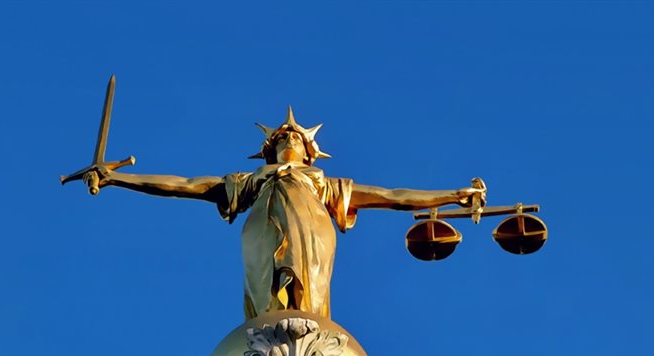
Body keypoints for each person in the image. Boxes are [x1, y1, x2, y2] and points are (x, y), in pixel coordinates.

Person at [84, 107, 485, 319]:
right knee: (265, 299)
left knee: (307, 300)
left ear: (310, 150)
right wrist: (121, 180)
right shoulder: (252, 180)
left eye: (294, 135)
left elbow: (392, 195)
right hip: (261, 230)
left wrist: (452, 195)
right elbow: (187, 186)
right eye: (281, 136)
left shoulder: (322, 183)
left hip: (313, 232)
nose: (288, 137)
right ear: (269, 148)